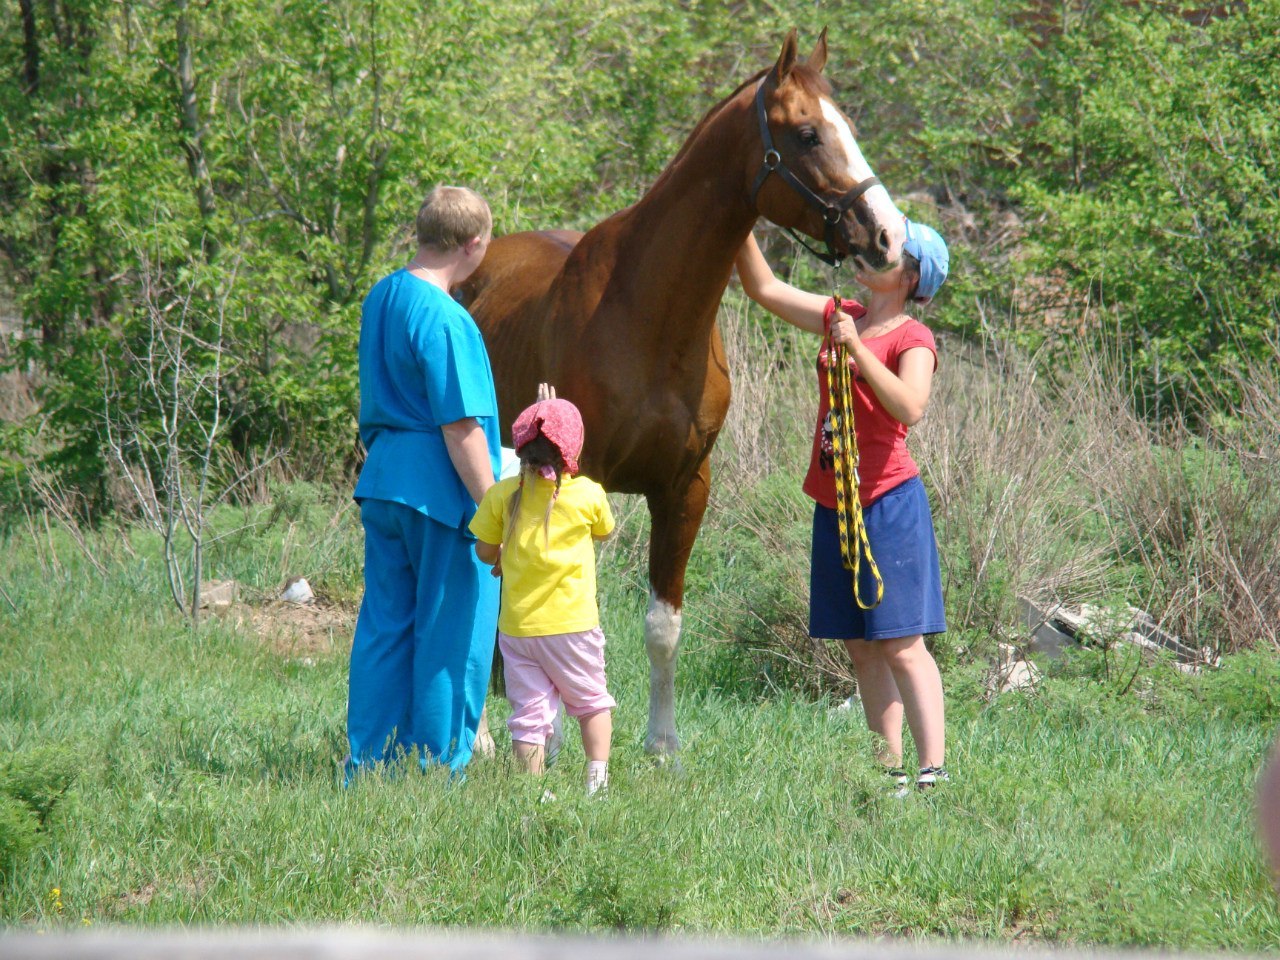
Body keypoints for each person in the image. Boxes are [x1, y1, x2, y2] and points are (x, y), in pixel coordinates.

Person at [734, 218, 951, 795]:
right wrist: (735, 222)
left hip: (888, 502)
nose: (869, 253)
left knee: (902, 642)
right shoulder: (843, 314)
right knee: (859, 646)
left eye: (889, 250)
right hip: (835, 502)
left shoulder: (913, 338)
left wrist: (856, 349)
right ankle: (888, 773)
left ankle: (934, 773)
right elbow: (765, 290)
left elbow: (910, 407)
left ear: (910, 275)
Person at [346, 185, 500, 779]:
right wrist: (495, 509)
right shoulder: (446, 318)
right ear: (474, 243)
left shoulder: (382, 295)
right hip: (439, 492)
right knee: (450, 631)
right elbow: (460, 426)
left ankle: (369, 763)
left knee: (386, 626)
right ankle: (438, 768)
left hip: (383, 480)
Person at [469, 395, 617, 797]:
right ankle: (596, 778)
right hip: (573, 627)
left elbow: (483, 550)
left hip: (518, 631)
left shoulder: (502, 495)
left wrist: (502, 554)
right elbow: (604, 531)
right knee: (591, 703)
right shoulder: (588, 494)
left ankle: (535, 791)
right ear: (573, 450)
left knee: (529, 715)